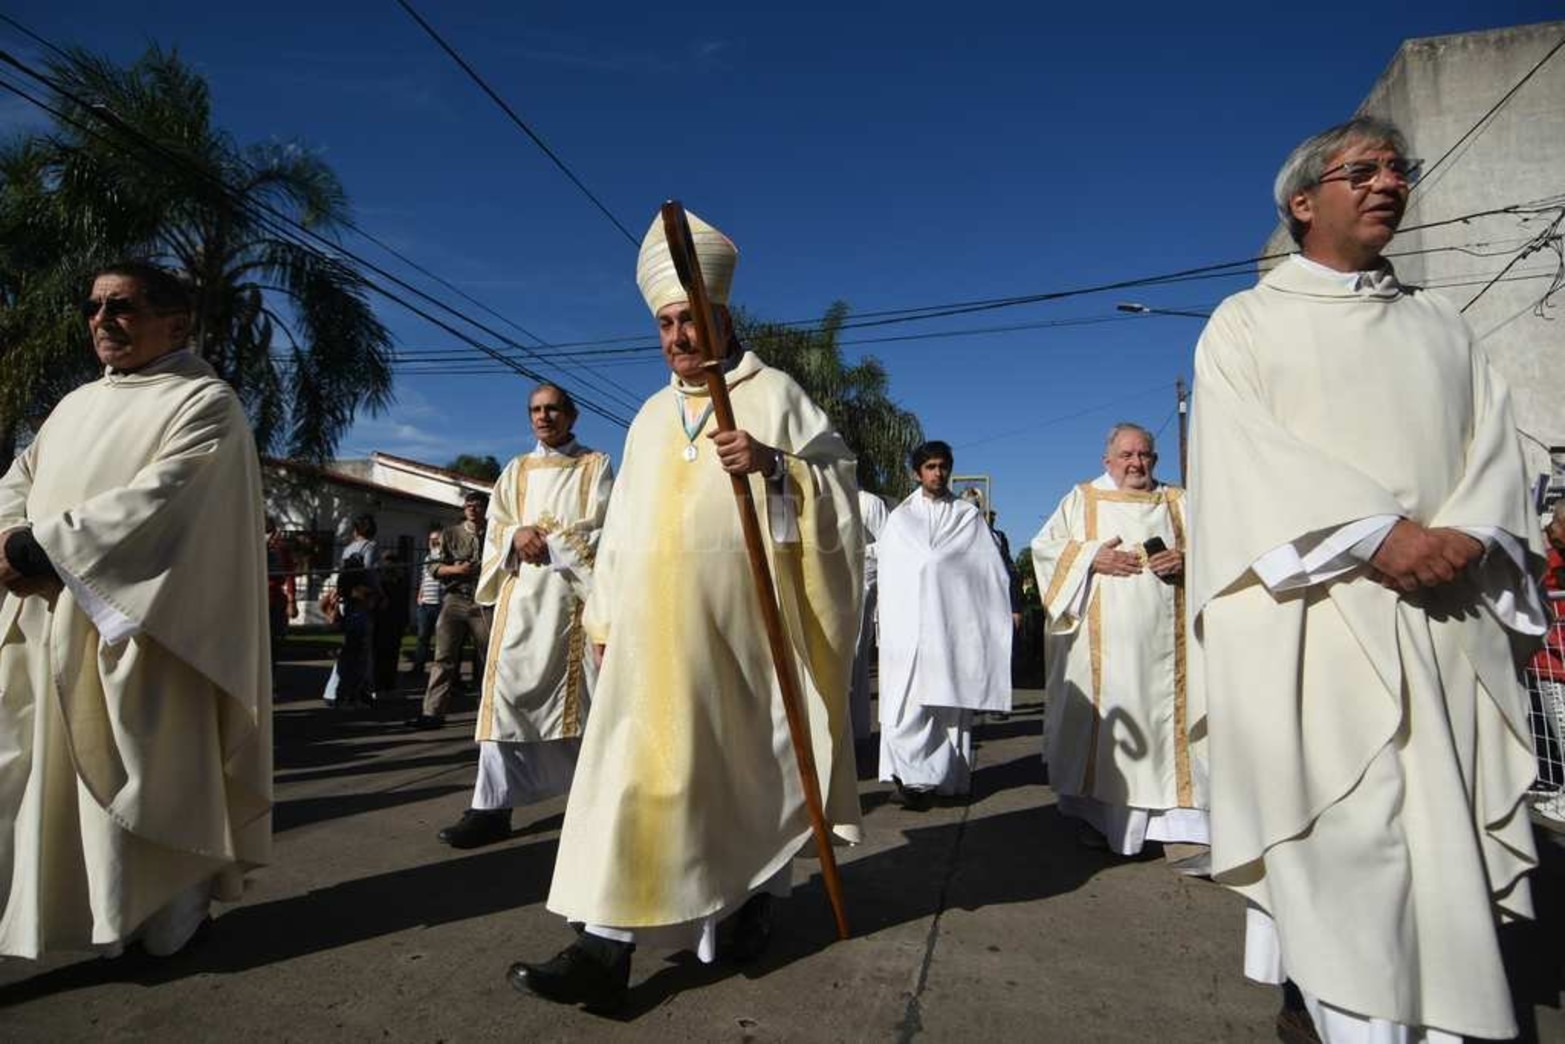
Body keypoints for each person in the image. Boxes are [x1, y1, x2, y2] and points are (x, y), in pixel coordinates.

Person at [1188, 116, 1546, 1043]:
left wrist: (1465, 534)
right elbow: (1243, 460)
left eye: (1398, 168)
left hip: (1446, 614)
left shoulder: (1441, 323)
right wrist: (1375, 533)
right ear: (1301, 203)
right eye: (1362, 170)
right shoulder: (1246, 322)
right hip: (1317, 621)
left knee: (1441, 840)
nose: (1389, 182)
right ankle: (1336, 1009)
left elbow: (1499, 450)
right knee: (1347, 835)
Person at [508, 208, 863, 1012]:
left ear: (722, 317)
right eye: (665, 322)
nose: (675, 335)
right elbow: (622, 532)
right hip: (646, 638)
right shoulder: (644, 416)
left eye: (687, 318)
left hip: (741, 636)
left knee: (744, 777)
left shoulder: (773, 395)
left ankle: (751, 904)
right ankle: (602, 948)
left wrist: (779, 470)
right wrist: (601, 622)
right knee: (632, 782)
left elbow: (839, 491)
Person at [0, 260, 271, 958]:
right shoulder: (74, 404)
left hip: (143, 632)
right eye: (93, 307)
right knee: (40, 785)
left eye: (121, 307)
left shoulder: (204, 403)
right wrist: (8, 541)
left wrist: (40, 550)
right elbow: (17, 481)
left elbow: (164, 502)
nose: (101, 320)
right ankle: (68, 921)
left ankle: (164, 931)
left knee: (144, 785)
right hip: (44, 618)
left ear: (174, 322)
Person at [435, 383, 614, 848]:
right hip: (520, 603)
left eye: (553, 409)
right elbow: (496, 526)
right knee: (503, 706)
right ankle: (491, 807)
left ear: (572, 416)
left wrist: (549, 540)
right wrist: (515, 535)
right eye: (535, 409)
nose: (543, 416)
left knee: (582, 709)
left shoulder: (595, 466)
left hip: (573, 605)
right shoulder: (515, 470)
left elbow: (607, 529)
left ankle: (592, 807)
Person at [1029, 423, 1207, 865]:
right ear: (1107, 460)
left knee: (1172, 732)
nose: (1136, 463)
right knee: (1108, 732)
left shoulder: (1180, 502)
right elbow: (1045, 549)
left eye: (1144, 455)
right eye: (1126, 455)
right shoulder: (1083, 500)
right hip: (1102, 653)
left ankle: (1181, 830)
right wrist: (1091, 557)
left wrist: (1187, 559)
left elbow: (1221, 550)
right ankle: (1102, 822)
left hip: (1171, 647)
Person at [876, 441, 1012, 808]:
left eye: (943, 467)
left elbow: (987, 571)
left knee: (947, 703)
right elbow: (891, 571)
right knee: (907, 706)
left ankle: (946, 781)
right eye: (930, 467)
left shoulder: (966, 516)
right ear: (917, 472)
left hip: (952, 625)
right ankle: (912, 778)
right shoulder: (901, 518)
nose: (937, 473)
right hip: (908, 629)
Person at [409, 491, 490, 729]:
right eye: (468, 506)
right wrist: (456, 571)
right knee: (443, 658)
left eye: (477, 506)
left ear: (486, 508)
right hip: (455, 599)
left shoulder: (496, 533)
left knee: (488, 658)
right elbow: (434, 568)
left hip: (484, 600)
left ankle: (488, 713)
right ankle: (432, 712)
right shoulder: (450, 534)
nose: (472, 509)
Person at [324, 513, 381, 708]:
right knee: (359, 649)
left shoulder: (348, 549)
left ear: (355, 530)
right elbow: (370, 573)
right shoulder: (371, 547)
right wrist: (379, 595)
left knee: (351, 647)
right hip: (362, 602)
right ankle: (348, 692)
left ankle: (342, 690)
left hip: (348, 601)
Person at [849, 488, 889, 742]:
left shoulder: (869, 502)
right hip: (829, 586)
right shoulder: (824, 496)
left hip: (860, 586)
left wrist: (859, 552)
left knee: (854, 662)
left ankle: (855, 733)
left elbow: (890, 543)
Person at [373, 549, 411, 696]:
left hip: (393, 620)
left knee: (390, 654)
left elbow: (403, 601)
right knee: (383, 654)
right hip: (384, 620)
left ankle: (387, 684)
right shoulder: (381, 580)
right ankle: (381, 684)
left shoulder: (399, 579)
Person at [411, 525, 444, 675]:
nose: (433, 543)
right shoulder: (427, 558)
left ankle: (439, 669)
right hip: (425, 603)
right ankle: (418, 667)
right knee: (422, 637)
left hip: (440, 604)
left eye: (436, 540)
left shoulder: (445, 557)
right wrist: (420, 594)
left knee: (442, 639)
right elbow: (424, 578)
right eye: (431, 540)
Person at [265, 516, 297, 669]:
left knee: (273, 641)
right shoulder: (249, 542)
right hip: (252, 600)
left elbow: (290, 573)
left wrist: (292, 601)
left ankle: (271, 679)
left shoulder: (279, 546)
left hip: (273, 599)